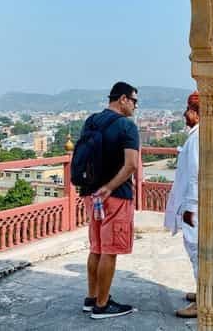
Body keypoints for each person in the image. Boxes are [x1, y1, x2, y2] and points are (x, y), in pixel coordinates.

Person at [80, 82, 140, 319]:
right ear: (123, 99)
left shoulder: (92, 120)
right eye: (134, 101)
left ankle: (92, 297)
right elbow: (131, 165)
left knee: (96, 247)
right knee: (110, 249)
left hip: (90, 194)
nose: (135, 106)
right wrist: (110, 187)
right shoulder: (127, 126)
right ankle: (102, 305)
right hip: (114, 195)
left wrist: (98, 187)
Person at [163, 91, 200, 318]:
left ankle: (205, 299)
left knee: (196, 249)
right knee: (195, 248)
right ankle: (203, 289)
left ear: (196, 113)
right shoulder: (197, 135)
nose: (185, 114)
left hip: (193, 205)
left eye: (188, 110)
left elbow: (195, 174)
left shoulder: (197, 138)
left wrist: (190, 207)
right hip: (192, 204)